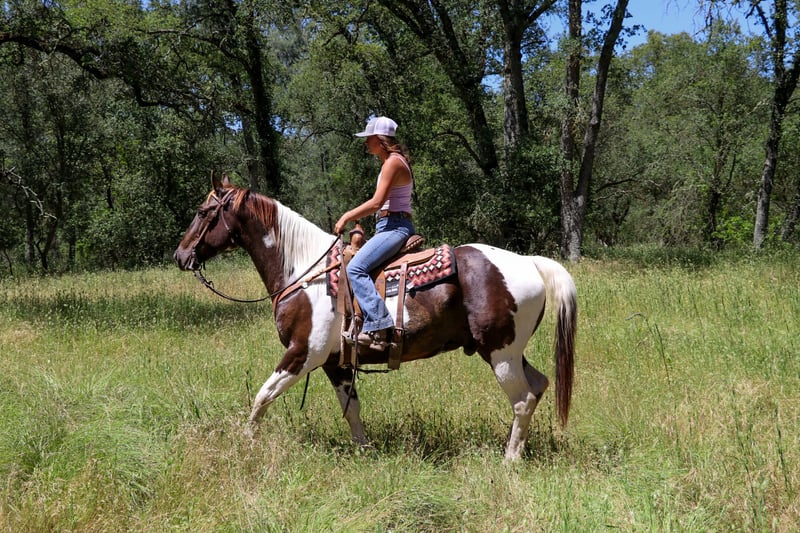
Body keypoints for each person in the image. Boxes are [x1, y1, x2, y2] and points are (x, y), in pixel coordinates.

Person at [334, 116, 415, 350]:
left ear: (380, 140)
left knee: (355, 268)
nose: (366, 142)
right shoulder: (390, 162)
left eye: (369, 138)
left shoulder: (393, 163)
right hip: (388, 225)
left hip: (395, 226)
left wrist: (347, 216)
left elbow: (377, 202)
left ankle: (380, 327)